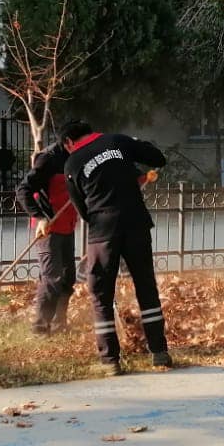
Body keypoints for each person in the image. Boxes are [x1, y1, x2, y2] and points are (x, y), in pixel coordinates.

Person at [60, 119, 171, 375]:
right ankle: (159, 353)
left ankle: (110, 361)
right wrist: (136, 143)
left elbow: (82, 209)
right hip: (136, 224)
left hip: (102, 232)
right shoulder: (118, 141)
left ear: (68, 142)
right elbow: (158, 158)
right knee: (145, 286)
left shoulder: (72, 163)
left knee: (101, 295)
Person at [16, 138, 77, 334]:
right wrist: (40, 217)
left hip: (67, 225)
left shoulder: (76, 157)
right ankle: (40, 327)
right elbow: (23, 190)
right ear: (69, 141)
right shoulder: (48, 159)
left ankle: (60, 324)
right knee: (53, 278)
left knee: (68, 278)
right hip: (48, 228)